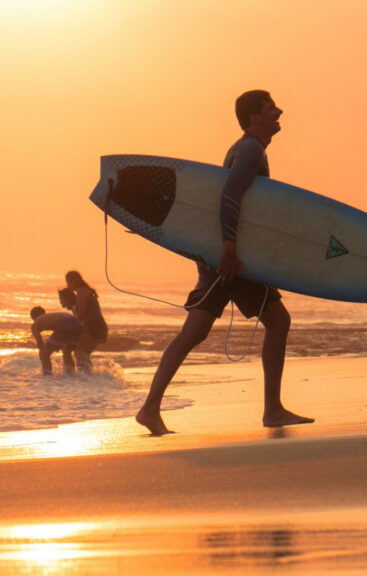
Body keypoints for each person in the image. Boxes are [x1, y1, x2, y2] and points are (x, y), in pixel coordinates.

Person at [135, 90, 313, 436]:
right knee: (278, 321)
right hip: (233, 259)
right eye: (270, 108)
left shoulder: (244, 148)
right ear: (255, 117)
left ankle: (150, 407)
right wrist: (230, 248)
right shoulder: (249, 150)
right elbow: (229, 195)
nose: (280, 111)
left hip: (219, 256)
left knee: (194, 331)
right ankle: (272, 410)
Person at [64, 271, 108, 374]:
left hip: (94, 326)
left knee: (80, 353)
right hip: (97, 326)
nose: (67, 285)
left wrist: (72, 325)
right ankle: (88, 378)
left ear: (73, 281)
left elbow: (82, 312)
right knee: (83, 354)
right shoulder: (85, 291)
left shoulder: (82, 292)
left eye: (67, 282)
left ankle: (85, 378)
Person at [30, 306, 82, 375]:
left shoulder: (35, 324)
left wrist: (43, 352)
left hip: (64, 323)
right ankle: (70, 375)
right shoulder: (50, 317)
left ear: (33, 317)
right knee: (67, 352)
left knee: (45, 354)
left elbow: (40, 343)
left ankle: (47, 376)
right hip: (77, 324)